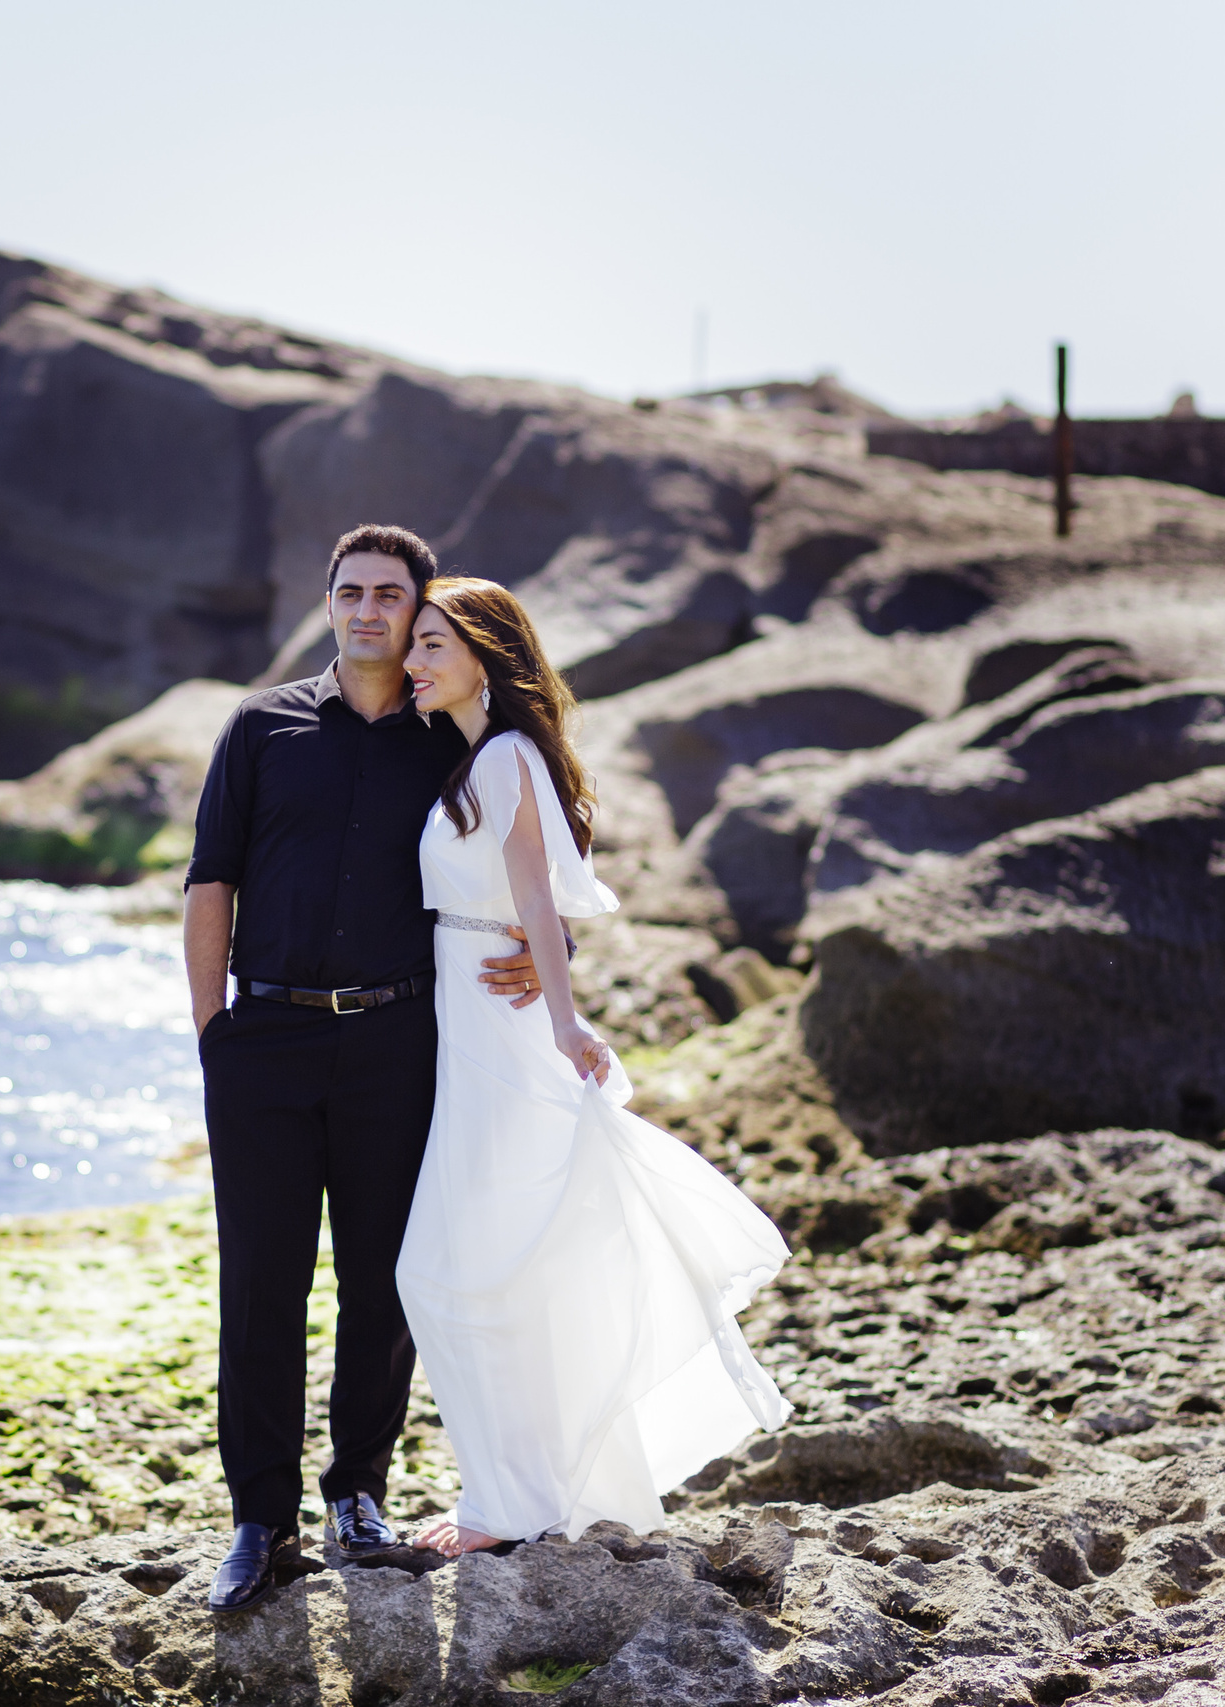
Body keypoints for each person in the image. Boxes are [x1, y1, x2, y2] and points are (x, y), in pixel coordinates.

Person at [183, 526, 554, 1614]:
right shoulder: (260, 727)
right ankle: (261, 1517)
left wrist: (551, 943)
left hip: (397, 1043)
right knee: (260, 1282)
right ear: (329, 601)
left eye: (390, 595)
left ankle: (357, 1496)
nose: (367, 610)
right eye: (350, 591)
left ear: (417, 609)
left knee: (380, 1282)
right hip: (265, 1040)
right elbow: (211, 883)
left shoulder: (453, 737)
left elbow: (535, 833)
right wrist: (212, 1033)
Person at [396, 577, 792, 1556]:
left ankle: (508, 1504)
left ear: (485, 651)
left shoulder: (502, 758)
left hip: (498, 1019)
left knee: (453, 1270)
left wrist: (565, 1016)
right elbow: (519, 896)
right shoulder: (478, 757)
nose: (413, 662)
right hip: (470, 1012)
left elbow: (532, 891)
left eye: (433, 645)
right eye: (414, 646)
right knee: (482, 1266)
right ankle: (524, 1495)